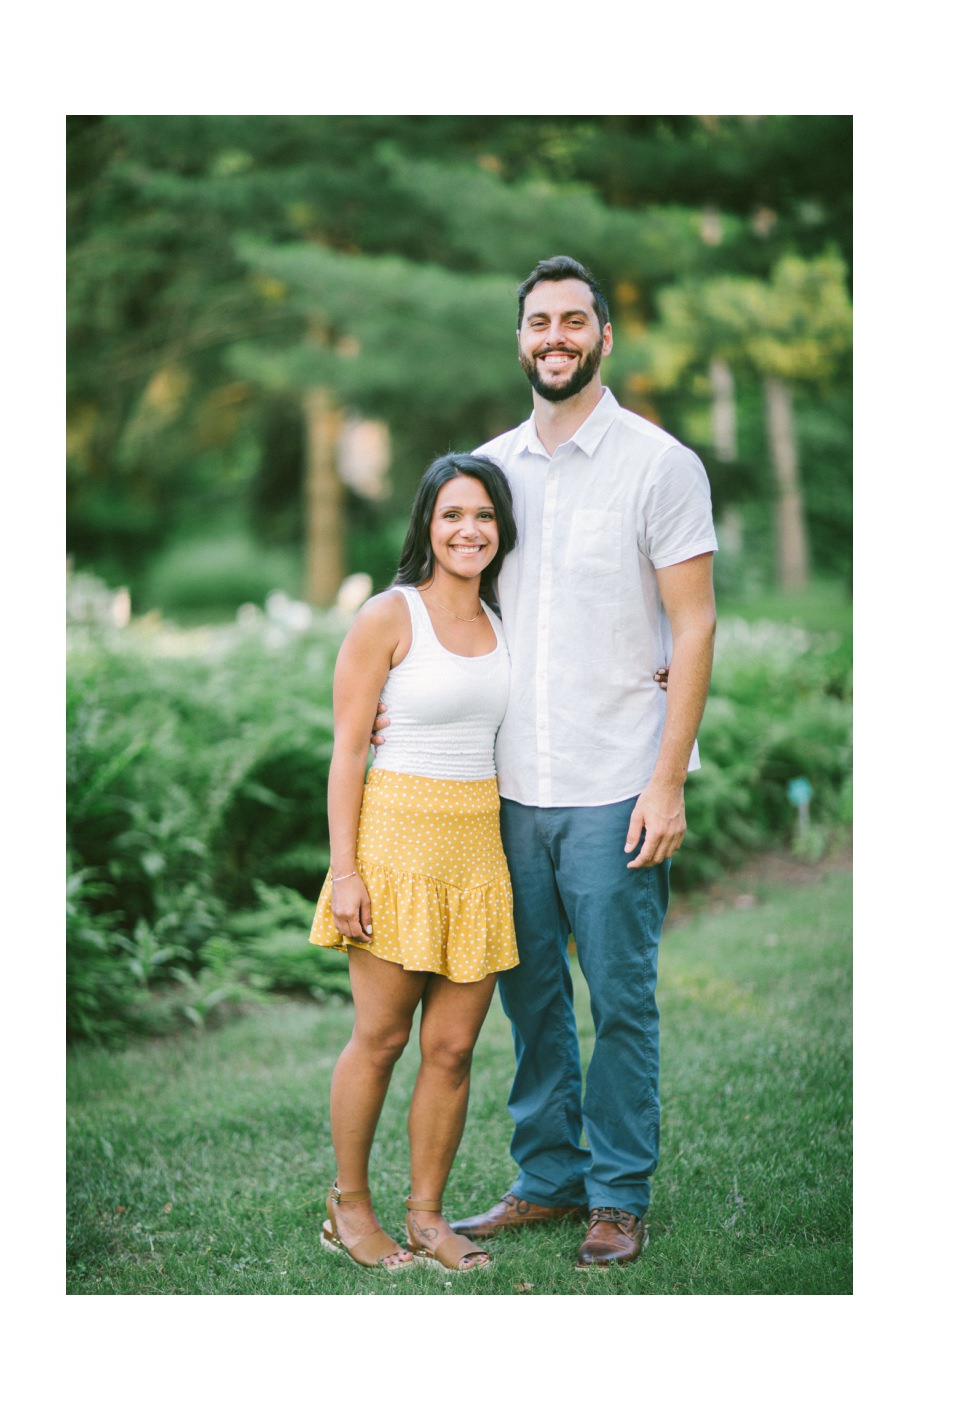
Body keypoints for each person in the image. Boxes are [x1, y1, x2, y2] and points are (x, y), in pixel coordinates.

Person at [405, 255, 717, 1269]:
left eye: (574, 321)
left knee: (619, 1000)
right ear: (520, 337)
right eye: (539, 321)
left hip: (616, 783)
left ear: (604, 337)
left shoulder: (661, 465)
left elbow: (695, 623)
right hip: (505, 789)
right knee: (529, 996)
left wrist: (668, 778)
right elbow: (445, 609)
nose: (555, 337)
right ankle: (548, 1178)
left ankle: (618, 1194)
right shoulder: (490, 475)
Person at [309, 452, 520, 1273]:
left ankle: (428, 1216)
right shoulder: (389, 617)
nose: (469, 531)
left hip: (477, 851)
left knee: (455, 1051)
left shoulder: (508, 622)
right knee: (382, 1036)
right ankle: (348, 1208)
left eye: (485, 517)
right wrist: (345, 871)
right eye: (453, 515)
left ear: (501, 531)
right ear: (427, 525)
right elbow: (345, 750)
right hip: (394, 845)